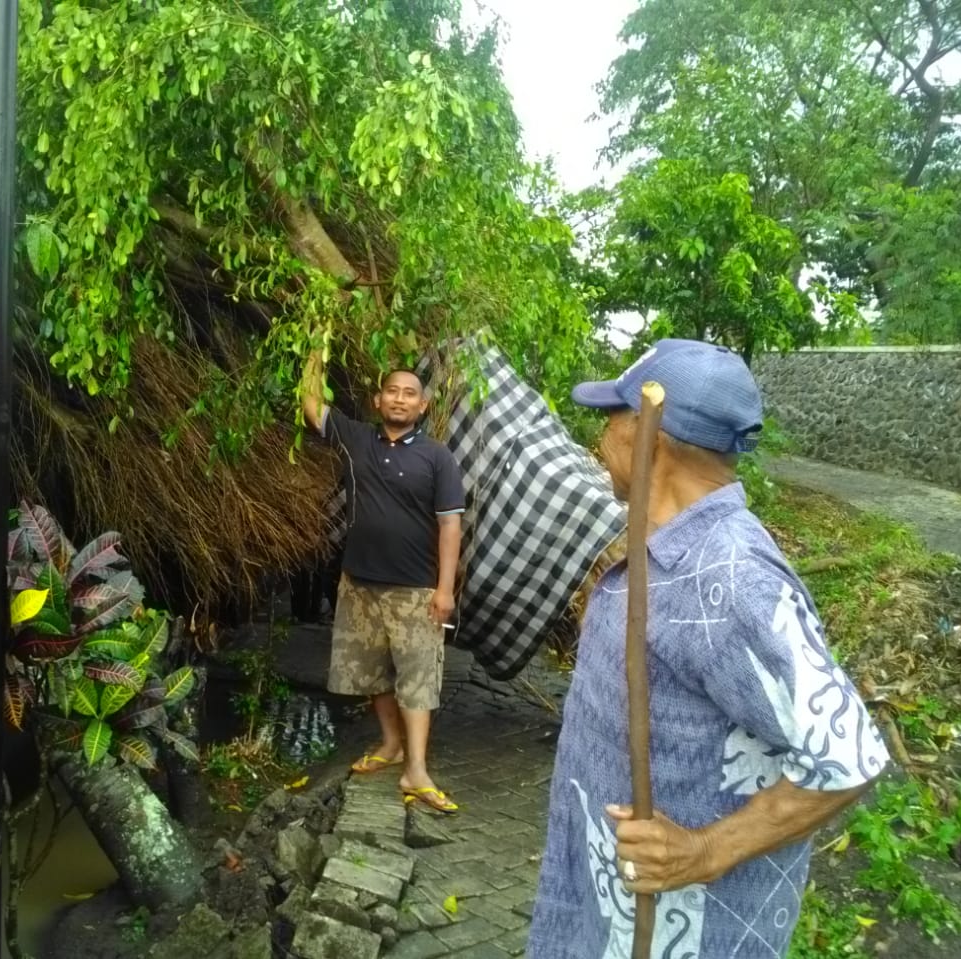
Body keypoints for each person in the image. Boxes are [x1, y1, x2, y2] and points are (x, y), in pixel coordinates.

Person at [529, 339, 889, 957]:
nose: (600, 437)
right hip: (602, 908)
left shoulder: (731, 579)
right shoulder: (664, 551)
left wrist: (705, 850)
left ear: (649, 435)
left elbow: (847, 757)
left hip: (676, 935)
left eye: (611, 419)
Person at [302, 350, 466, 813]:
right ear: (378, 400)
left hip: (416, 589)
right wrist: (317, 345)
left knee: (417, 680)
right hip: (359, 585)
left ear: (423, 407)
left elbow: (450, 526)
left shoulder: (438, 458)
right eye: (392, 391)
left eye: (409, 393)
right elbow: (312, 403)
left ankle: (417, 770)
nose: (399, 399)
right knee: (373, 673)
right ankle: (390, 744)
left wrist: (445, 589)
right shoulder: (357, 439)